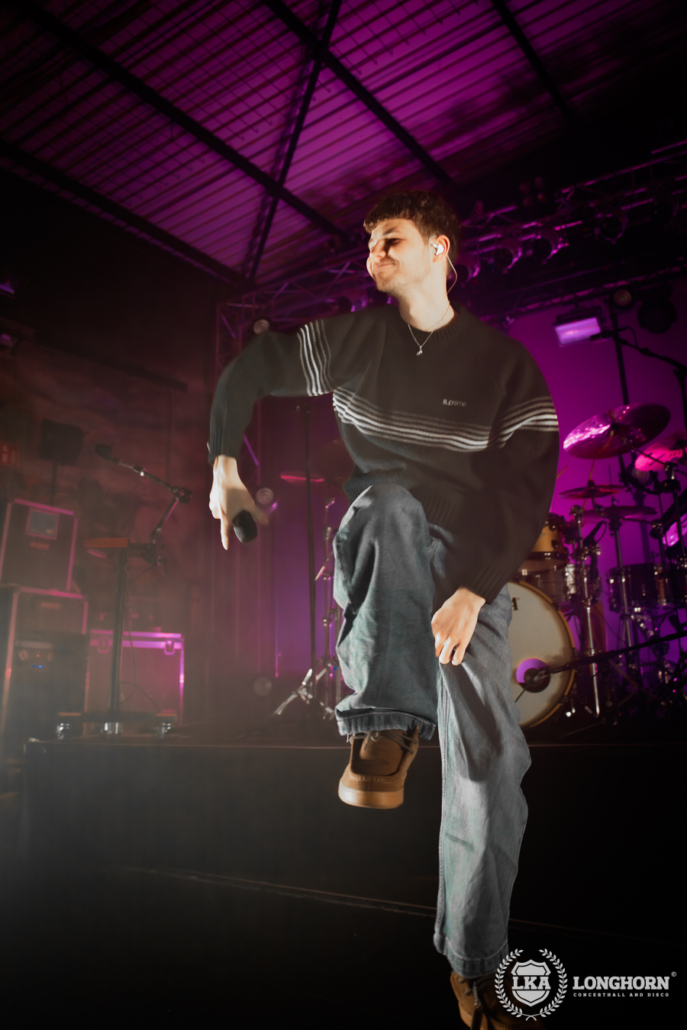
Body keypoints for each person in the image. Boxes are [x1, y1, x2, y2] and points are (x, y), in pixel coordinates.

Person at [208, 191, 559, 1028]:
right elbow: (252, 369)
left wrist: (473, 591)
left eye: (390, 240)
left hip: (468, 578)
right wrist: (223, 467)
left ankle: (476, 962)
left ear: (439, 250)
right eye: (368, 243)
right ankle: (382, 725)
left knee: (490, 770)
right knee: (389, 504)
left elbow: (526, 491)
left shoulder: (503, 366)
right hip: (385, 546)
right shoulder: (354, 340)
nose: (373, 255)